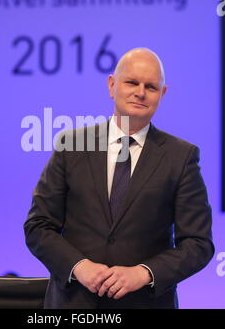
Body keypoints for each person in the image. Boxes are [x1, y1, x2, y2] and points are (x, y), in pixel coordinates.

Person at [24, 48, 214, 309]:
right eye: (131, 82)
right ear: (112, 85)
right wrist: (79, 267)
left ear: (163, 94)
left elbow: (198, 244)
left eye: (151, 86)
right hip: (74, 304)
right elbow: (39, 226)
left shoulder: (181, 157)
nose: (140, 92)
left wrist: (144, 273)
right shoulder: (72, 146)